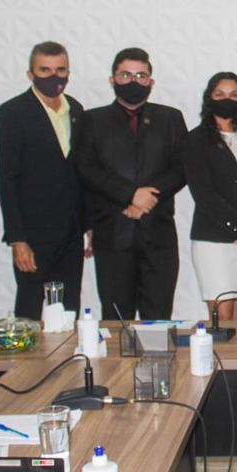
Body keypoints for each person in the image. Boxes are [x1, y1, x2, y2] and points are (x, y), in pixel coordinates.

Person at [74, 48, 187, 320]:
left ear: (151, 82)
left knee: (158, 320)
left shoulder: (170, 118)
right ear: (112, 80)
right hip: (113, 234)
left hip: (158, 235)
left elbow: (183, 167)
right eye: (125, 75)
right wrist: (130, 195)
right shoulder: (92, 120)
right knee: (116, 320)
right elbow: (86, 169)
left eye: (140, 76)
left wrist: (147, 199)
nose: (133, 81)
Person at [0, 41, 91, 320]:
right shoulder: (13, 112)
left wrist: (89, 225)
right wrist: (18, 240)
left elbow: (82, 172)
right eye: (45, 70)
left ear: (68, 72)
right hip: (33, 235)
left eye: (60, 70)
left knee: (68, 309)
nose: (53, 76)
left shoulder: (76, 110)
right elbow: (8, 180)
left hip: (71, 232)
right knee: (30, 311)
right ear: (31, 74)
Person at [184, 72, 237, 321]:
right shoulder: (196, 139)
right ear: (209, 98)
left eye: (233, 95)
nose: (226, 100)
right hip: (215, 240)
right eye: (219, 95)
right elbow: (203, 193)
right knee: (222, 318)